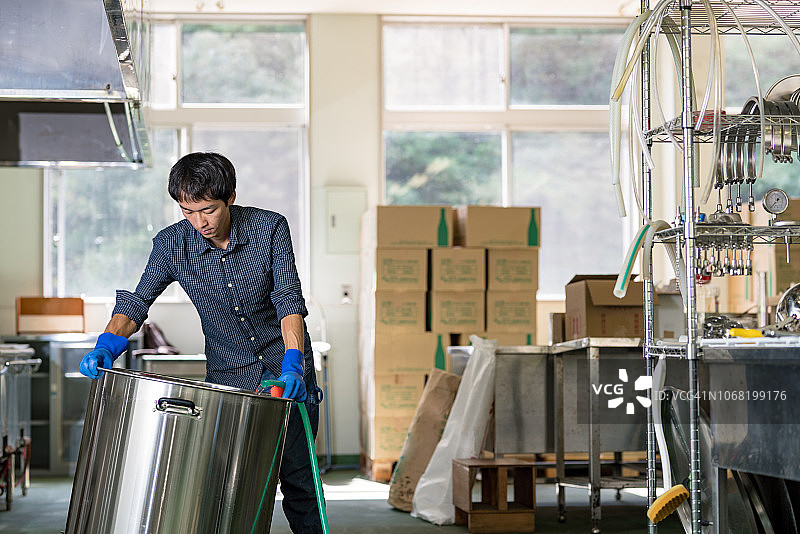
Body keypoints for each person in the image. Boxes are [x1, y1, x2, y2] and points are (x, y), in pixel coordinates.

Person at [78, 151, 325, 533]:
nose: (199, 222)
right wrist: (107, 343)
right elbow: (138, 301)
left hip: (287, 373)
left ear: (230, 197)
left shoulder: (269, 228)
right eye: (187, 212)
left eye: (207, 210)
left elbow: (288, 298)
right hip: (231, 381)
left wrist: (294, 360)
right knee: (233, 487)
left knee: (299, 483)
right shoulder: (172, 244)